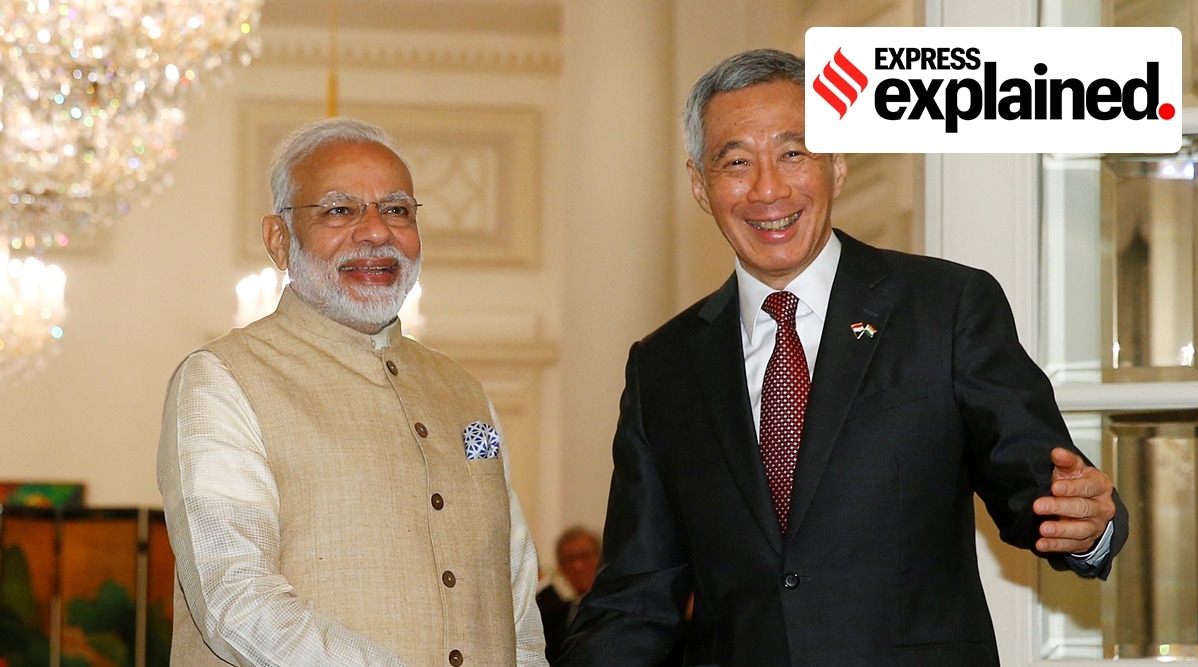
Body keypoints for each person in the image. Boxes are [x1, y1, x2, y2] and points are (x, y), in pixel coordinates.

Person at [558, 49, 1128, 666]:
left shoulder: (945, 308)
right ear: (700, 184)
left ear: (837, 163)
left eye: (794, 153)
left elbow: (1039, 485)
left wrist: (1088, 525)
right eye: (737, 162)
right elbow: (636, 597)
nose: (768, 188)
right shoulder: (663, 366)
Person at [157, 117, 548, 666]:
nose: (375, 231)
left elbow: (515, 600)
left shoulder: (465, 396)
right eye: (339, 210)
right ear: (279, 240)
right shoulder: (222, 379)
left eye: (397, 210)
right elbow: (235, 598)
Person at [537, 526, 602, 663]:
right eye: (569, 559)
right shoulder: (555, 617)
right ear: (560, 567)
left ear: (601, 558)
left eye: (584, 556)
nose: (577, 566)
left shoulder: (618, 608)